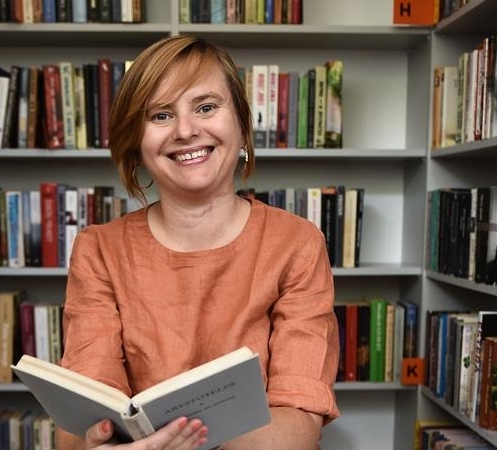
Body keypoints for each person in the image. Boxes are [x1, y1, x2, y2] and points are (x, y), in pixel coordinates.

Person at [56, 34, 340, 450]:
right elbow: (79, 424)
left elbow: (299, 422)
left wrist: (180, 441)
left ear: (241, 125)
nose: (186, 131)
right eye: (161, 115)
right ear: (136, 142)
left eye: (206, 107)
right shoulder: (97, 250)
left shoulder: (298, 243)